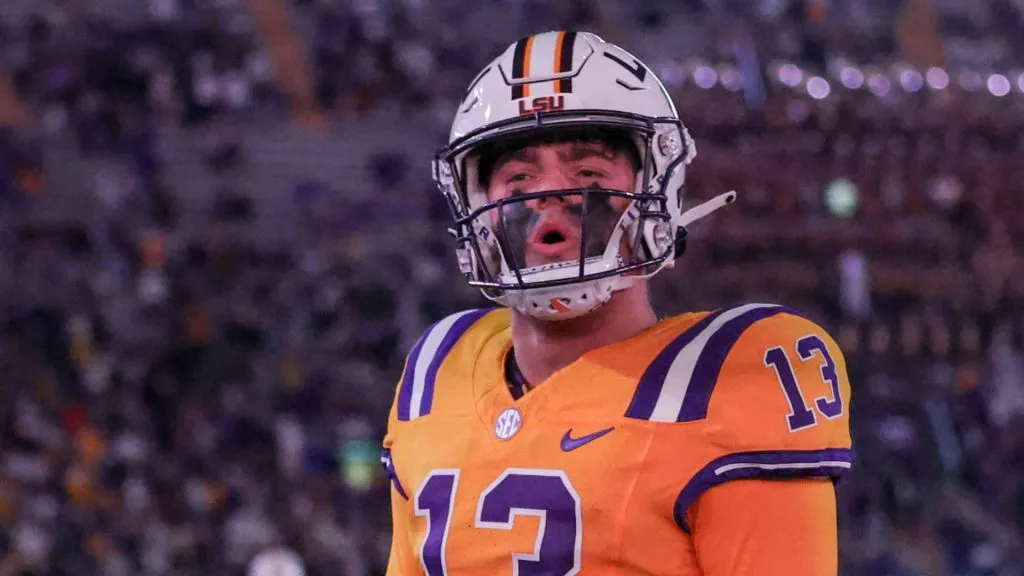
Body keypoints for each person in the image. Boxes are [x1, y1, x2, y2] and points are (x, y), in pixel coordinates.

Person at [382, 30, 852, 575]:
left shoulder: (728, 376)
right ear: (475, 202)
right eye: (519, 176)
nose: (548, 195)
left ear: (656, 191)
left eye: (588, 173)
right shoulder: (437, 368)